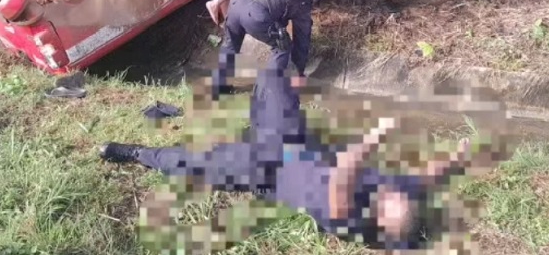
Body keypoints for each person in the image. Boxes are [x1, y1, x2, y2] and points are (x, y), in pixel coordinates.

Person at [99, 68, 472, 253]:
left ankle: (135, 154)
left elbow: (344, 175)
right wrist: (457, 158)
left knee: (192, 163)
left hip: (265, 168)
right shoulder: (396, 198)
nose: (393, 194)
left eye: (391, 203)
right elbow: (424, 179)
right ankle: (255, 118)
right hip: (295, 142)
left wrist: (375, 135)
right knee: (274, 77)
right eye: (398, 198)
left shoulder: (348, 220)